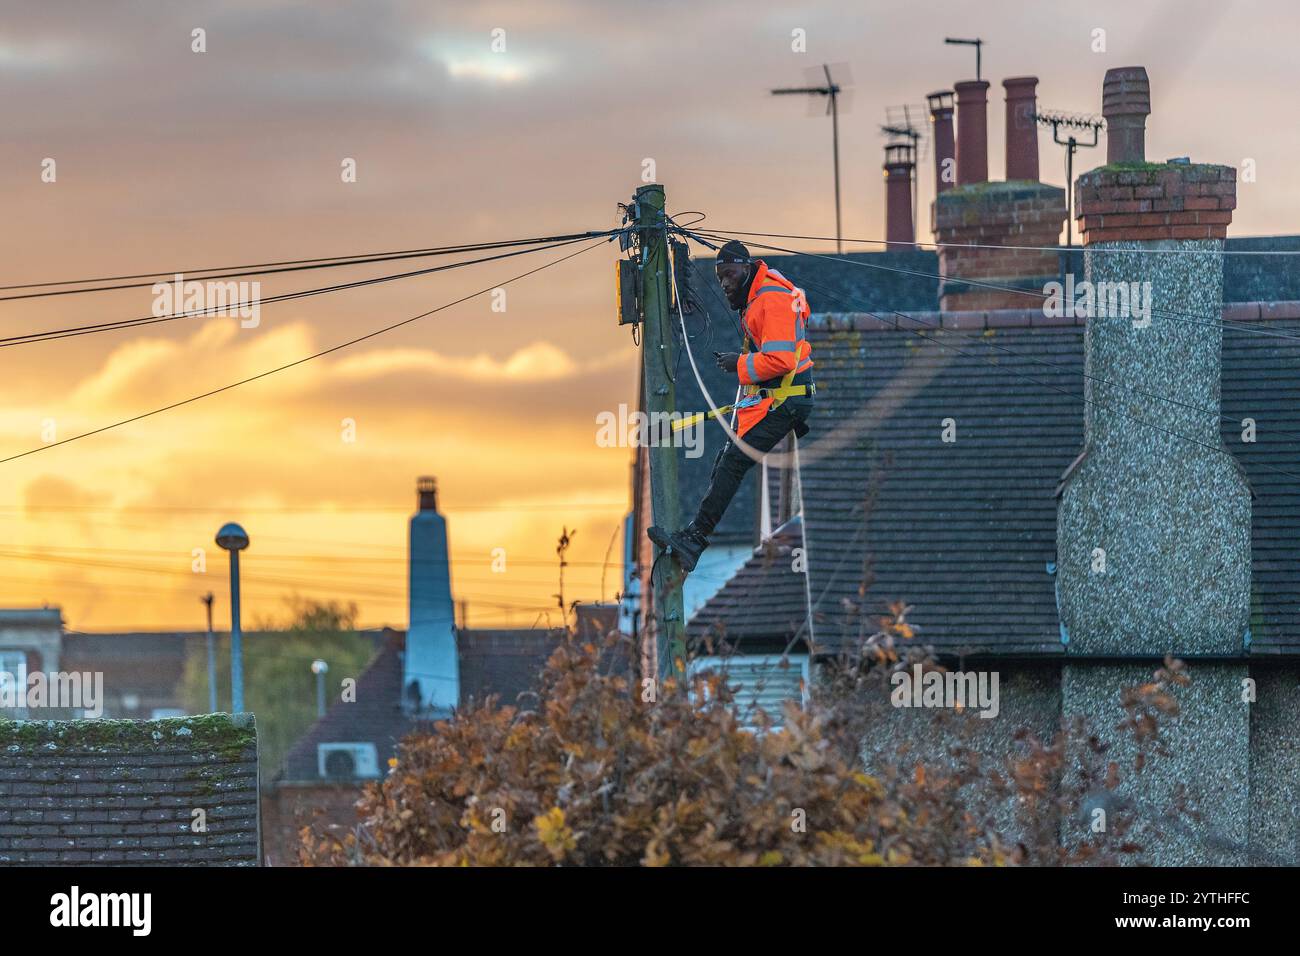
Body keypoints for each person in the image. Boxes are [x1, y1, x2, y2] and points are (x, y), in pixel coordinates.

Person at [647, 240, 815, 572]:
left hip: (788, 399)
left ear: (747, 268)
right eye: (720, 276)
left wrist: (739, 363)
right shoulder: (757, 298)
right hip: (776, 398)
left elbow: (780, 360)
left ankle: (694, 540)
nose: (724, 283)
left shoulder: (771, 299)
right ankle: (693, 537)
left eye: (730, 274)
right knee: (727, 460)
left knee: (734, 463)